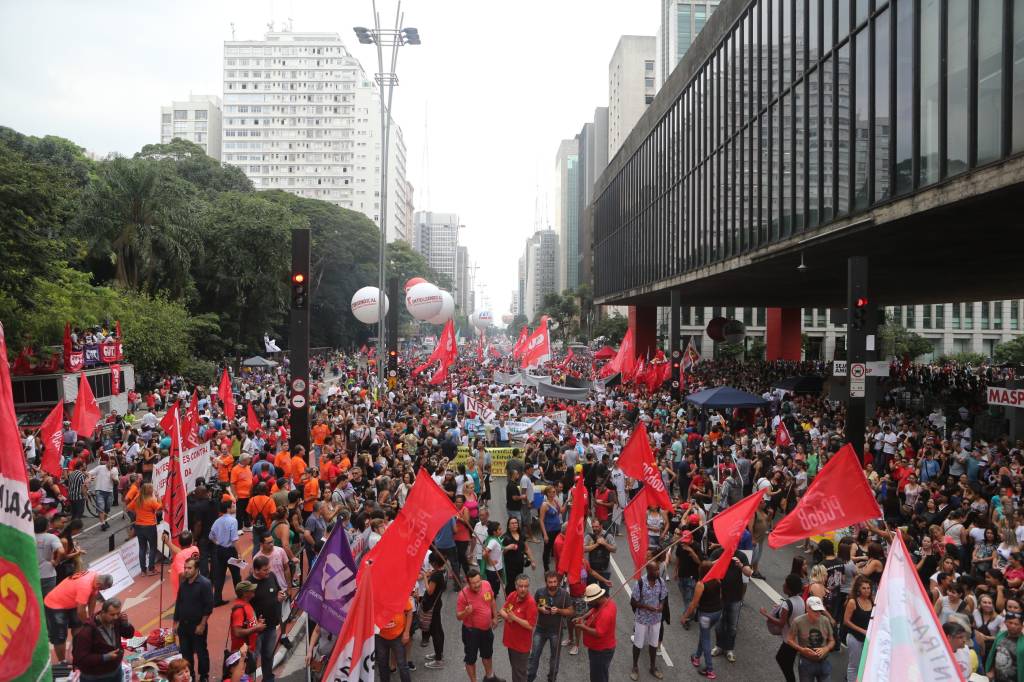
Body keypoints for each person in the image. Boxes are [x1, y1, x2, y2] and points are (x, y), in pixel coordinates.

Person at [44, 571, 113, 664]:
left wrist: (91, 618)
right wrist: (88, 624)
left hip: (71, 601)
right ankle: (62, 662)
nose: (100, 590)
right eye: (101, 588)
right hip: (55, 604)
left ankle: (78, 650)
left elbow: (93, 596)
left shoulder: (97, 576)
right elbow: (81, 611)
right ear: (99, 584)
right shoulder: (85, 586)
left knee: (78, 626)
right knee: (59, 636)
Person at [455, 568, 505, 682]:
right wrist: (466, 612)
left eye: (478, 581)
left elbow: (492, 600)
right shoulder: (463, 595)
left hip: (486, 629)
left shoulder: (486, 584)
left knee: (487, 654)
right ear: (468, 583)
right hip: (471, 632)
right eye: (474, 583)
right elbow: (458, 616)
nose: (477, 585)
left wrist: (495, 617)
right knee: (471, 659)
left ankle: (490, 677)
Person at [71, 597, 134, 682]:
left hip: (115, 670)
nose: (115, 617)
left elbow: (128, 635)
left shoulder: (116, 621)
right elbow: (81, 659)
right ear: (103, 612)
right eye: (112, 614)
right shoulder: (87, 631)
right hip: (95, 676)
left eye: (118, 613)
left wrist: (125, 624)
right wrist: (105, 657)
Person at [173, 556, 214, 682]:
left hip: (197, 626)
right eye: (185, 568)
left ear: (196, 569)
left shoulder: (205, 584)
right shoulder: (183, 584)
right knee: (186, 654)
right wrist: (175, 623)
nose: (186, 570)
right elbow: (179, 603)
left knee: (201, 652)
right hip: (184, 627)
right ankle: (190, 676)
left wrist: (202, 625)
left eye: (189, 568)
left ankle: (204, 676)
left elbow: (208, 607)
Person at [527, 571, 572, 682]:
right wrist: (540, 608)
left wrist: (559, 610)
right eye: (550, 582)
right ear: (546, 582)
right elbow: (533, 605)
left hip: (556, 631)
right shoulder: (540, 592)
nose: (552, 584)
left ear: (558, 581)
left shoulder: (564, 594)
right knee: (534, 657)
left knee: (554, 658)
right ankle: (529, 679)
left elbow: (571, 611)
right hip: (540, 629)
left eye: (554, 582)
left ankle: (551, 679)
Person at [760, 573, 805, 682]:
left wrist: (766, 614)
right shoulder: (800, 600)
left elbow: (781, 623)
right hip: (797, 638)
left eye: (785, 584)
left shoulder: (787, 604)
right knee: (785, 661)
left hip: (789, 640)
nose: (783, 585)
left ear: (789, 589)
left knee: (783, 661)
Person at [682, 561, 723, 679]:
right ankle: (696, 657)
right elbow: (720, 596)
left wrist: (685, 616)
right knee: (704, 634)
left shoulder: (701, 584)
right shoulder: (717, 579)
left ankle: (710, 670)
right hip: (717, 612)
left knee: (706, 639)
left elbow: (693, 604)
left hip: (706, 615)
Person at [711, 549, 753, 663]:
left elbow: (749, 572)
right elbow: (707, 566)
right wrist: (720, 560)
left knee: (732, 626)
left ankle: (729, 649)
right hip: (719, 597)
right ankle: (719, 646)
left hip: (735, 597)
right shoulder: (718, 552)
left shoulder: (741, 555)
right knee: (719, 624)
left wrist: (741, 565)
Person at [630, 560, 668, 681]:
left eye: (658, 569)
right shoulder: (640, 583)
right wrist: (646, 607)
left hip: (656, 620)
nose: (658, 571)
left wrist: (661, 605)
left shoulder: (661, 582)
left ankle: (653, 667)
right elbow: (633, 602)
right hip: (642, 620)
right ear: (649, 571)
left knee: (653, 643)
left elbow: (663, 597)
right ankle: (635, 667)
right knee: (638, 644)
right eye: (656, 570)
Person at [249, 555, 285, 682]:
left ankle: (268, 679)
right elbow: (244, 606)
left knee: (268, 655)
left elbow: (278, 592)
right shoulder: (249, 584)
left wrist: (280, 596)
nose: (268, 571)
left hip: (271, 627)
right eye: (265, 570)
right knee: (253, 658)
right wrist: (254, 623)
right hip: (256, 630)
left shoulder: (272, 576)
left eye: (268, 568)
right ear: (256, 570)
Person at [574, 583, 616, 682]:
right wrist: (583, 617)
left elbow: (598, 633)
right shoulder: (603, 602)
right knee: (601, 674)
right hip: (598, 648)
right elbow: (594, 609)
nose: (589, 603)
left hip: (601, 651)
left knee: (598, 677)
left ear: (597, 598)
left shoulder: (605, 613)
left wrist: (582, 627)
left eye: (590, 601)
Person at [787, 596, 835, 682]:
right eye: (815, 610)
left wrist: (826, 649)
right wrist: (802, 649)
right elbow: (790, 640)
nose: (818, 613)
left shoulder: (825, 620)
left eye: (820, 610)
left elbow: (832, 640)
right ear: (807, 608)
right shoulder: (798, 621)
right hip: (806, 663)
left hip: (824, 662)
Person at [500, 574, 537, 682]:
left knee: (520, 675)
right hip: (511, 643)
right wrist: (508, 616)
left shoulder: (531, 603)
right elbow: (502, 610)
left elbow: (530, 625)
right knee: (515, 671)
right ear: (516, 586)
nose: (523, 589)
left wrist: (514, 618)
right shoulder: (512, 595)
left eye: (526, 586)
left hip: (521, 647)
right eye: (520, 586)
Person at [210, 499, 242, 606]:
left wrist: (218, 542)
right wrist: (240, 553)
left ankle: (217, 598)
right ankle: (240, 595)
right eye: (233, 506)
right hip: (231, 551)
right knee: (236, 574)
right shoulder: (233, 521)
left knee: (220, 575)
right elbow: (234, 539)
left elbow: (211, 536)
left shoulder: (217, 521)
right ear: (228, 509)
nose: (234, 508)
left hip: (220, 550)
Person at [229, 581, 264, 676]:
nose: (254, 590)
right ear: (244, 593)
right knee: (245, 677)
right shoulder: (239, 610)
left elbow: (247, 623)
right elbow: (237, 632)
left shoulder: (246, 604)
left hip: (250, 650)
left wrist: (257, 623)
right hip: (243, 653)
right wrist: (256, 628)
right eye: (251, 589)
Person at [842, 575, 874, 682]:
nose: (867, 590)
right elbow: (846, 621)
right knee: (854, 665)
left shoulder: (872, 601)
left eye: (868, 588)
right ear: (859, 589)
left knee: (865, 664)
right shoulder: (853, 602)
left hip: (867, 638)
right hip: (854, 638)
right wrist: (862, 631)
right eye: (864, 588)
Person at [375, 597, 413, 682]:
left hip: (398, 636)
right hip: (380, 636)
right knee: (382, 664)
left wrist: (406, 632)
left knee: (402, 665)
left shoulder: (398, 593)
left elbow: (409, 611)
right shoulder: (375, 594)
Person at [421, 552, 448, 670]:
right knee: (439, 630)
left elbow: (430, 591)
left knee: (435, 632)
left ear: (434, 563)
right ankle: (439, 654)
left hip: (432, 606)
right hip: (437, 604)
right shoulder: (443, 571)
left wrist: (426, 578)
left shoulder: (436, 575)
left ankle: (438, 659)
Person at [132, 482, 162, 575]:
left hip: (138, 526)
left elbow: (130, 508)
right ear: (149, 491)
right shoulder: (151, 500)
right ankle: (151, 568)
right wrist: (158, 497)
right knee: (153, 547)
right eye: (152, 488)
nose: (153, 490)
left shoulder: (137, 499)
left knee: (142, 548)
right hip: (149, 526)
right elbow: (160, 507)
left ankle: (143, 570)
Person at [986, 609, 1022, 682]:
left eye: (1016, 624)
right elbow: (994, 655)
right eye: (1010, 623)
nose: (1012, 626)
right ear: (1005, 623)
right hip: (998, 679)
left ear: (1021, 625)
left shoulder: (1022, 641)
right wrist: (991, 670)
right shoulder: (1000, 636)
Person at [35, 514, 64, 598]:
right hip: (48, 574)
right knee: (48, 600)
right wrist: (56, 562)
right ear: (46, 527)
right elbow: (61, 551)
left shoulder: (29, 537)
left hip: (32, 574)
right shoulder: (51, 537)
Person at [584, 518, 616, 587]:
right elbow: (583, 549)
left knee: (605, 593)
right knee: (592, 594)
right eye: (593, 527)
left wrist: (605, 544)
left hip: (605, 570)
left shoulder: (608, 536)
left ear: (601, 526)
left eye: (596, 527)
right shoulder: (589, 536)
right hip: (592, 570)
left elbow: (614, 549)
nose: (594, 529)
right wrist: (596, 545)